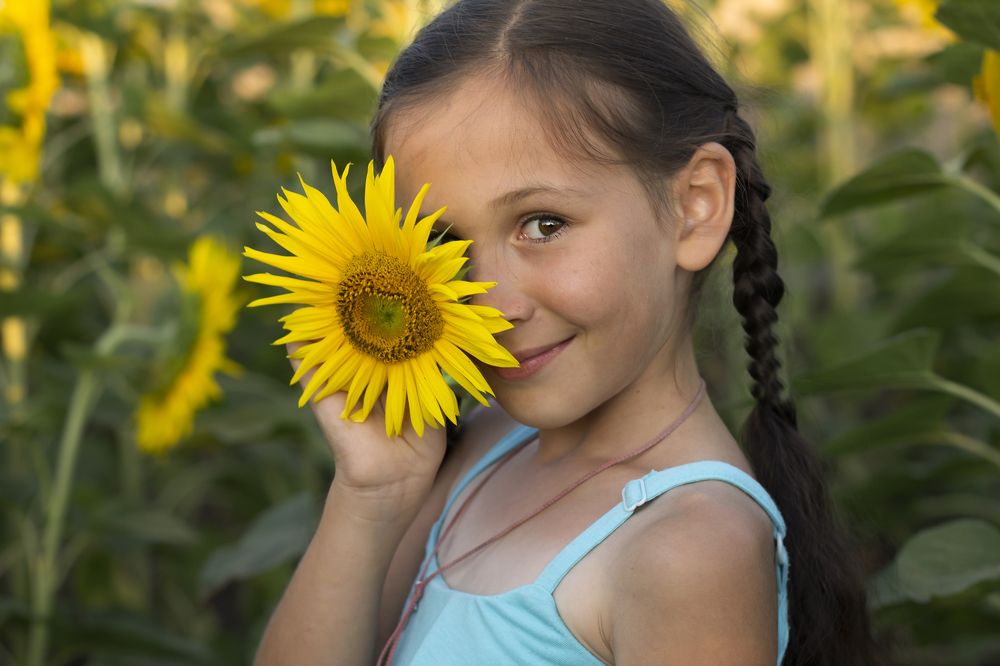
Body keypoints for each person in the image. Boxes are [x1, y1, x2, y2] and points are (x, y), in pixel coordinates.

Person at [254, 1, 882, 664]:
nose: (491, 305)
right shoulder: (485, 447)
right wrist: (372, 495)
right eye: (440, 243)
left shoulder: (690, 549)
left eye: (543, 225)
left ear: (695, 206)